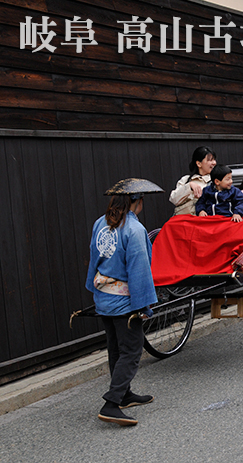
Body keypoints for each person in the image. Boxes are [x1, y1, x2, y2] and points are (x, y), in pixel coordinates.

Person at [85, 178, 162, 427]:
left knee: (116, 349)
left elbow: (93, 258)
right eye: (141, 201)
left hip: (104, 297)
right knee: (131, 350)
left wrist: (94, 290)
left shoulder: (101, 223)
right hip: (124, 300)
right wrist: (143, 306)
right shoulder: (134, 229)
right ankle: (112, 402)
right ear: (135, 201)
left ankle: (125, 394)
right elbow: (139, 270)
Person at [169, 146, 217, 215]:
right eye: (210, 160)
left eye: (214, 159)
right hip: (183, 220)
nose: (214, 163)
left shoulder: (216, 180)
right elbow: (174, 199)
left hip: (203, 220)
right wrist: (189, 186)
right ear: (199, 164)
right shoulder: (186, 179)